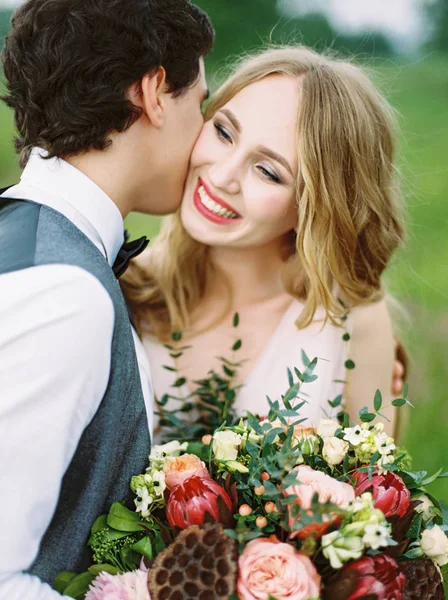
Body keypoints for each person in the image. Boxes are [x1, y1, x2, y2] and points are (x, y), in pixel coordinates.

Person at [0, 0, 213, 598]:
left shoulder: (29, 236)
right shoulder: (63, 292)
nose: (202, 135)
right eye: (200, 104)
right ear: (153, 93)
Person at [122, 46, 405, 439]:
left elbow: (379, 489)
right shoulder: (129, 289)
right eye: (223, 131)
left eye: (268, 171)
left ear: (315, 207)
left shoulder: (351, 319)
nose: (222, 176)